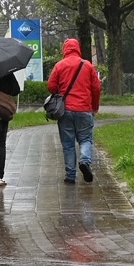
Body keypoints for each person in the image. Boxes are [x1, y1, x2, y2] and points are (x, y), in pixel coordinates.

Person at [46, 39, 102, 184]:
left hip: (66, 111)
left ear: (65, 49)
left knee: (68, 143)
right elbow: (96, 89)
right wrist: (94, 107)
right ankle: (84, 160)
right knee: (86, 139)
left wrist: (61, 91)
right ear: (78, 49)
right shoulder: (88, 65)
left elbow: (51, 86)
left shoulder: (59, 66)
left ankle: (70, 175)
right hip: (84, 109)